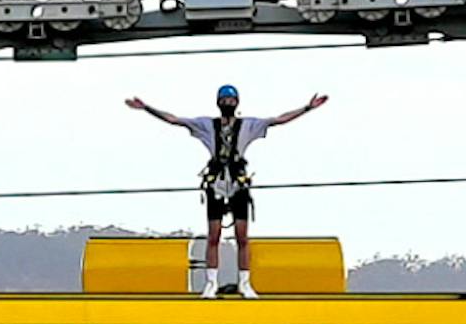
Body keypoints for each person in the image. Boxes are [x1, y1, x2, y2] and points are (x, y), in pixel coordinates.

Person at [125, 78, 329, 292]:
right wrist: (147, 108)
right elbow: (175, 120)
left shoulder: (248, 125)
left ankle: (244, 282)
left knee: (242, 236)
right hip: (216, 182)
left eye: (231, 99)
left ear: (237, 102)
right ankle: (211, 283)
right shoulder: (207, 125)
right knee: (214, 235)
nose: (228, 103)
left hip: (238, 182)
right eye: (224, 99)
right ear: (218, 102)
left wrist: (307, 108)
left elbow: (278, 120)